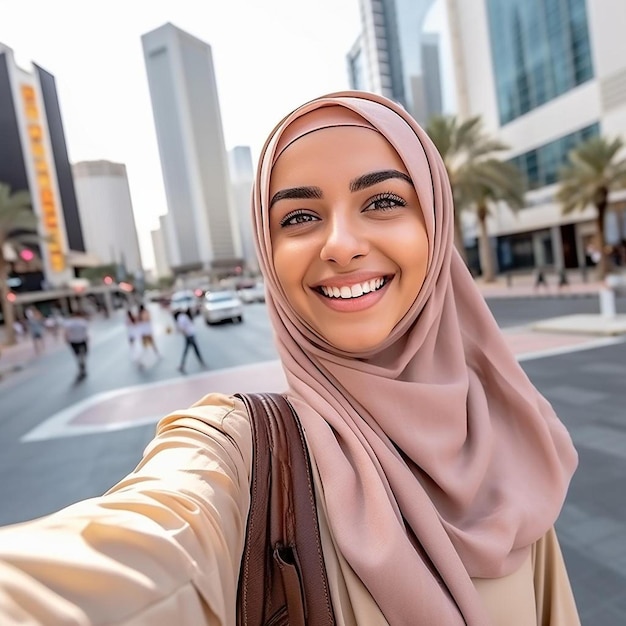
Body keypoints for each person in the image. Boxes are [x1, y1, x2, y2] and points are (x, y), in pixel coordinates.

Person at [0, 92, 580, 624]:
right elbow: (133, 554)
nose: (341, 244)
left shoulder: (509, 432)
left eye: (382, 201)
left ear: (435, 223)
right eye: (300, 217)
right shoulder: (241, 457)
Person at [174, 308, 206, 374]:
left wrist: (182, 333)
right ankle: (200, 361)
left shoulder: (180, 318)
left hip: (189, 335)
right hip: (191, 334)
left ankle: (182, 365)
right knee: (194, 349)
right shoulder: (184, 316)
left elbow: (183, 329)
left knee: (188, 350)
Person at [63, 308, 89, 381]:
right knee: (83, 353)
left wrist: (66, 339)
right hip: (82, 340)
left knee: (77, 355)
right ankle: (82, 361)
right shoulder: (83, 322)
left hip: (73, 341)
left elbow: (66, 332)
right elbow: (86, 332)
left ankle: (80, 362)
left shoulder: (69, 323)